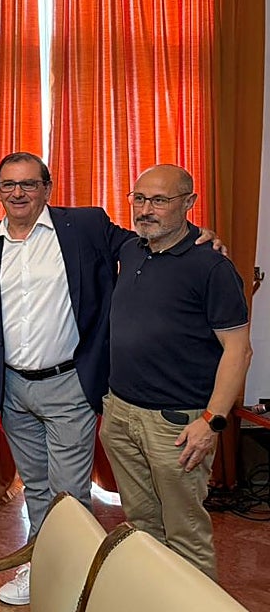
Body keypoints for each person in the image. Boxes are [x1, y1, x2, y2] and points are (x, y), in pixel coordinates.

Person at [0, 152, 226, 604]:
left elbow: (149, 239)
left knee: (69, 494)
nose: (17, 193)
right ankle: (41, 567)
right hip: (11, 386)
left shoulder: (83, 226)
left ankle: (75, 582)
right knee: (37, 487)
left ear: (47, 187)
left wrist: (203, 236)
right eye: (7, 185)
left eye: (28, 184)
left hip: (70, 384)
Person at [100, 164, 251, 580]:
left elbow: (238, 351)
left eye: (160, 200)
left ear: (189, 203)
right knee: (142, 526)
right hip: (121, 415)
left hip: (177, 427)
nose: (146, 209)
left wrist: (212, 422)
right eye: (139, 198)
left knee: (185, 534)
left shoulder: (211, 266)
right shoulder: (131, 248)